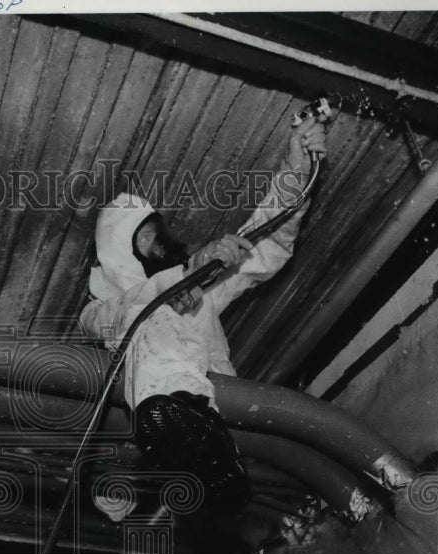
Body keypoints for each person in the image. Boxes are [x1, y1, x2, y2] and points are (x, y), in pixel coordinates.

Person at [81, 118, 328, 516]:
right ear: (120, 257)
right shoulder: (100, 308)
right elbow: (121, 315)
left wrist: (296, 169)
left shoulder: (201, 286)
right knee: (149, 319)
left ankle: (198, 443)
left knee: (175, 311)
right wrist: (182, 278)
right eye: (144, 242)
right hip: (154, 421)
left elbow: (267, 243)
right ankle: (183, 428)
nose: (158, 246)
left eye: (156, 232)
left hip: (214, 409)